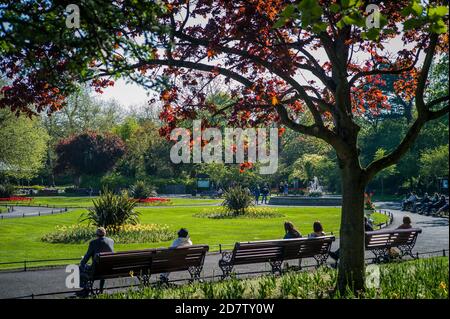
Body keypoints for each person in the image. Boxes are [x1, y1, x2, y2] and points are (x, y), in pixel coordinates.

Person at [78, 227, 114, 296]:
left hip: (96, 270)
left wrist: (82, 262)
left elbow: (87, 256)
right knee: (101, 266)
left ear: (97, 235)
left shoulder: (93, 243)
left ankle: (85, 287)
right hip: (108, 269)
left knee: (81, 267)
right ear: (105, 234)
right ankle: (101, 289)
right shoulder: (111, 241)